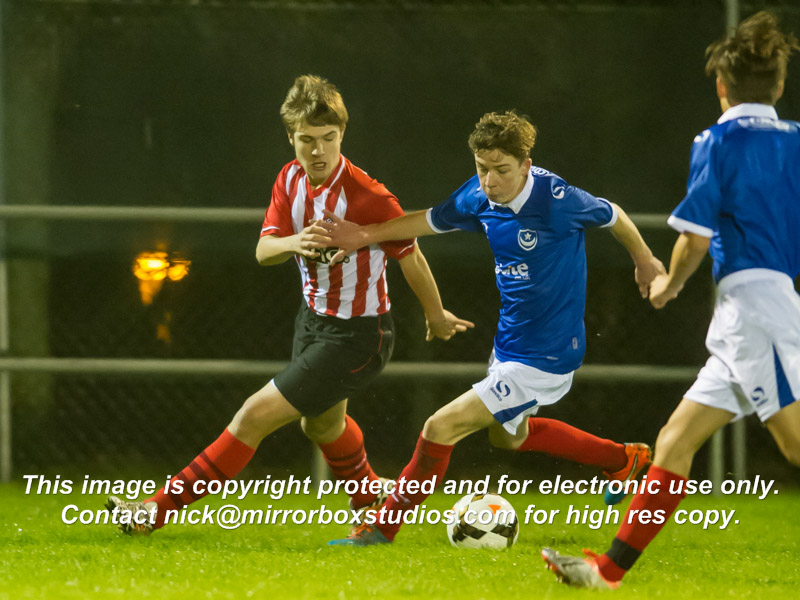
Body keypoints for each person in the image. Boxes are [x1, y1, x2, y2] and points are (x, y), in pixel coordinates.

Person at [106, 74, 473, 535]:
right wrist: (294, 242)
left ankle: (151, 512)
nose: (318, 151)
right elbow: (264, 251)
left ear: (342, 134)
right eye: (307, 140)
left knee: (253, 416)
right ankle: (371, 497)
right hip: (313, 322)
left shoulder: (368, 196)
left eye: (328, 138)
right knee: (321, 428)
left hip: (360, 335)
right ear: (290, 137)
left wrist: (435, 314)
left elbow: (412, 254)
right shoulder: (289, 179)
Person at [320, 109, 665, 546]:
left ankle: (380, 527)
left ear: (526, 165)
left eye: (501, 170)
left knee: (440, 427)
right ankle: (623, 460)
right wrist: (365, 235)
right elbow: (429, 220)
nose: (490, 181)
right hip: (510, 345)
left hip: (547, 354)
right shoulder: (478, 195)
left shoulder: (557, 199)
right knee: (509, 439)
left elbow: (613, 214)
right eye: (482, 168)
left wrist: (644, 259)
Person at [542, 11, 800, 589]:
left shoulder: (717, 141)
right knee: (675, 442)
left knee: (795, 445)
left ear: (721, 86)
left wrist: (669, 284)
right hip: (759, 308)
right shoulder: (796, 141)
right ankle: (607, 572)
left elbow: (695, 237)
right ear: (780, 84)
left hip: (756, 312)